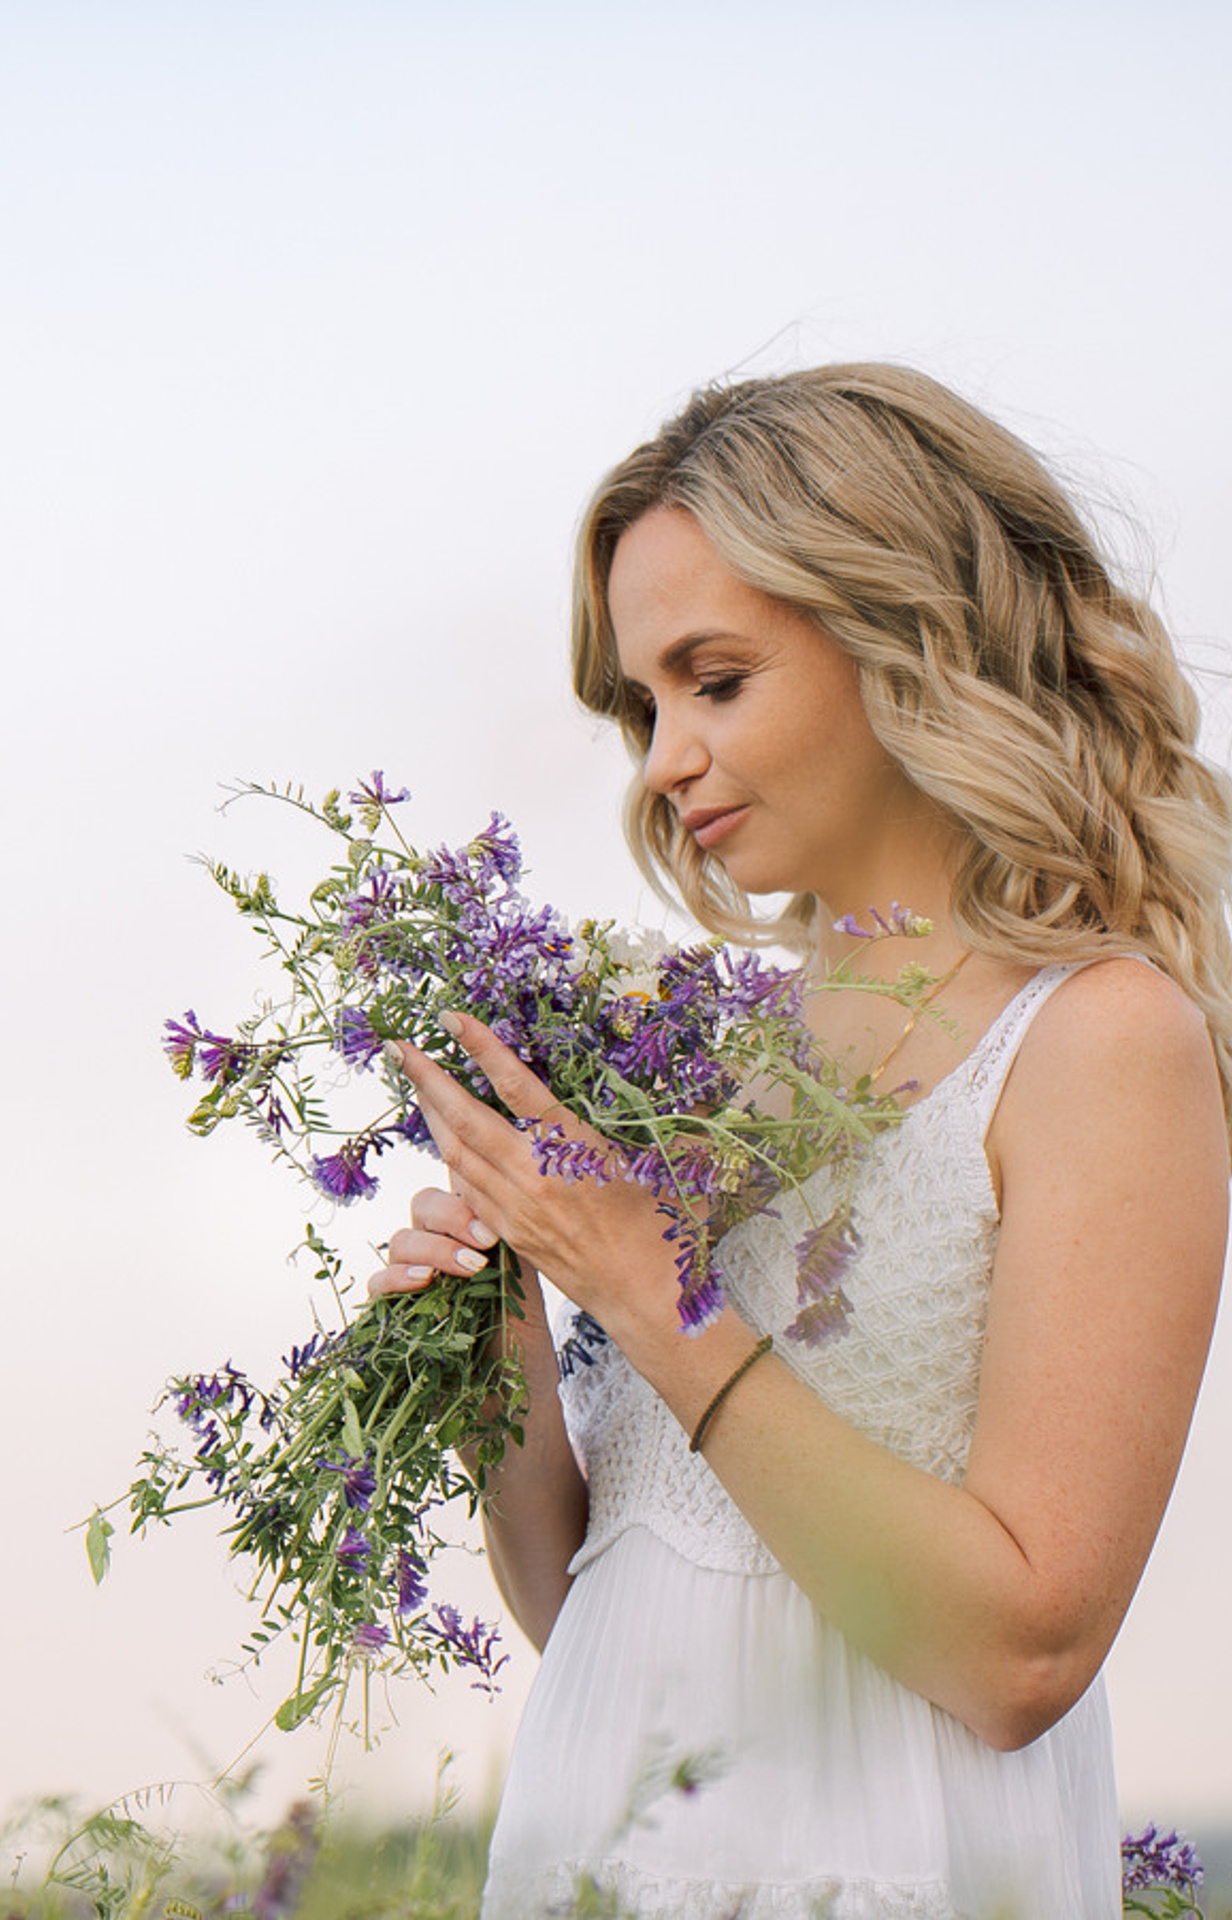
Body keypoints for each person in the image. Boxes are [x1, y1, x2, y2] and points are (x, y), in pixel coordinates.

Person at [370, 364, 1232, 1917]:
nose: (663, 760)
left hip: (885, 1869)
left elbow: (1021, 1650)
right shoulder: (715, 1061)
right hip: (604, 1857)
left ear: (903, 637)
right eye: (644, 707)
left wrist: (650, 1293)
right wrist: (497, 1334)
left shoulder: (1101, 1039)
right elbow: (608, 1603)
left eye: (714, 680)